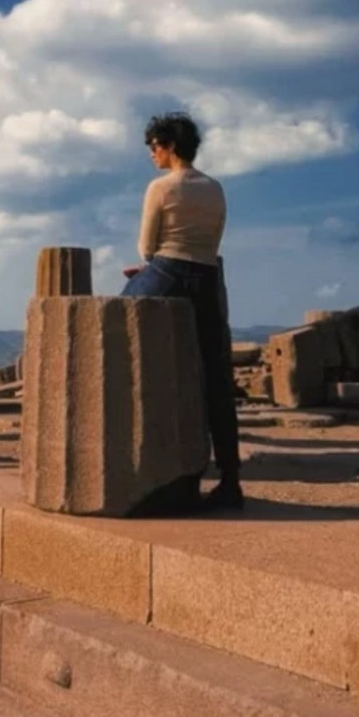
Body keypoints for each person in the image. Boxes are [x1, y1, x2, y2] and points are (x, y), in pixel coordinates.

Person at [122, 112, 243, 511]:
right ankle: (230, 480)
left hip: (168, 270)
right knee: (215, 379)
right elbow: (212, 241)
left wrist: (149, 270)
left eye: (154, 146)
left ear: (170, 146)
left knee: (117, 319)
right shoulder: (216, 188)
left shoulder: (161, 187)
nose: (151, 154)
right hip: (207, 278)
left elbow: (147, 248)